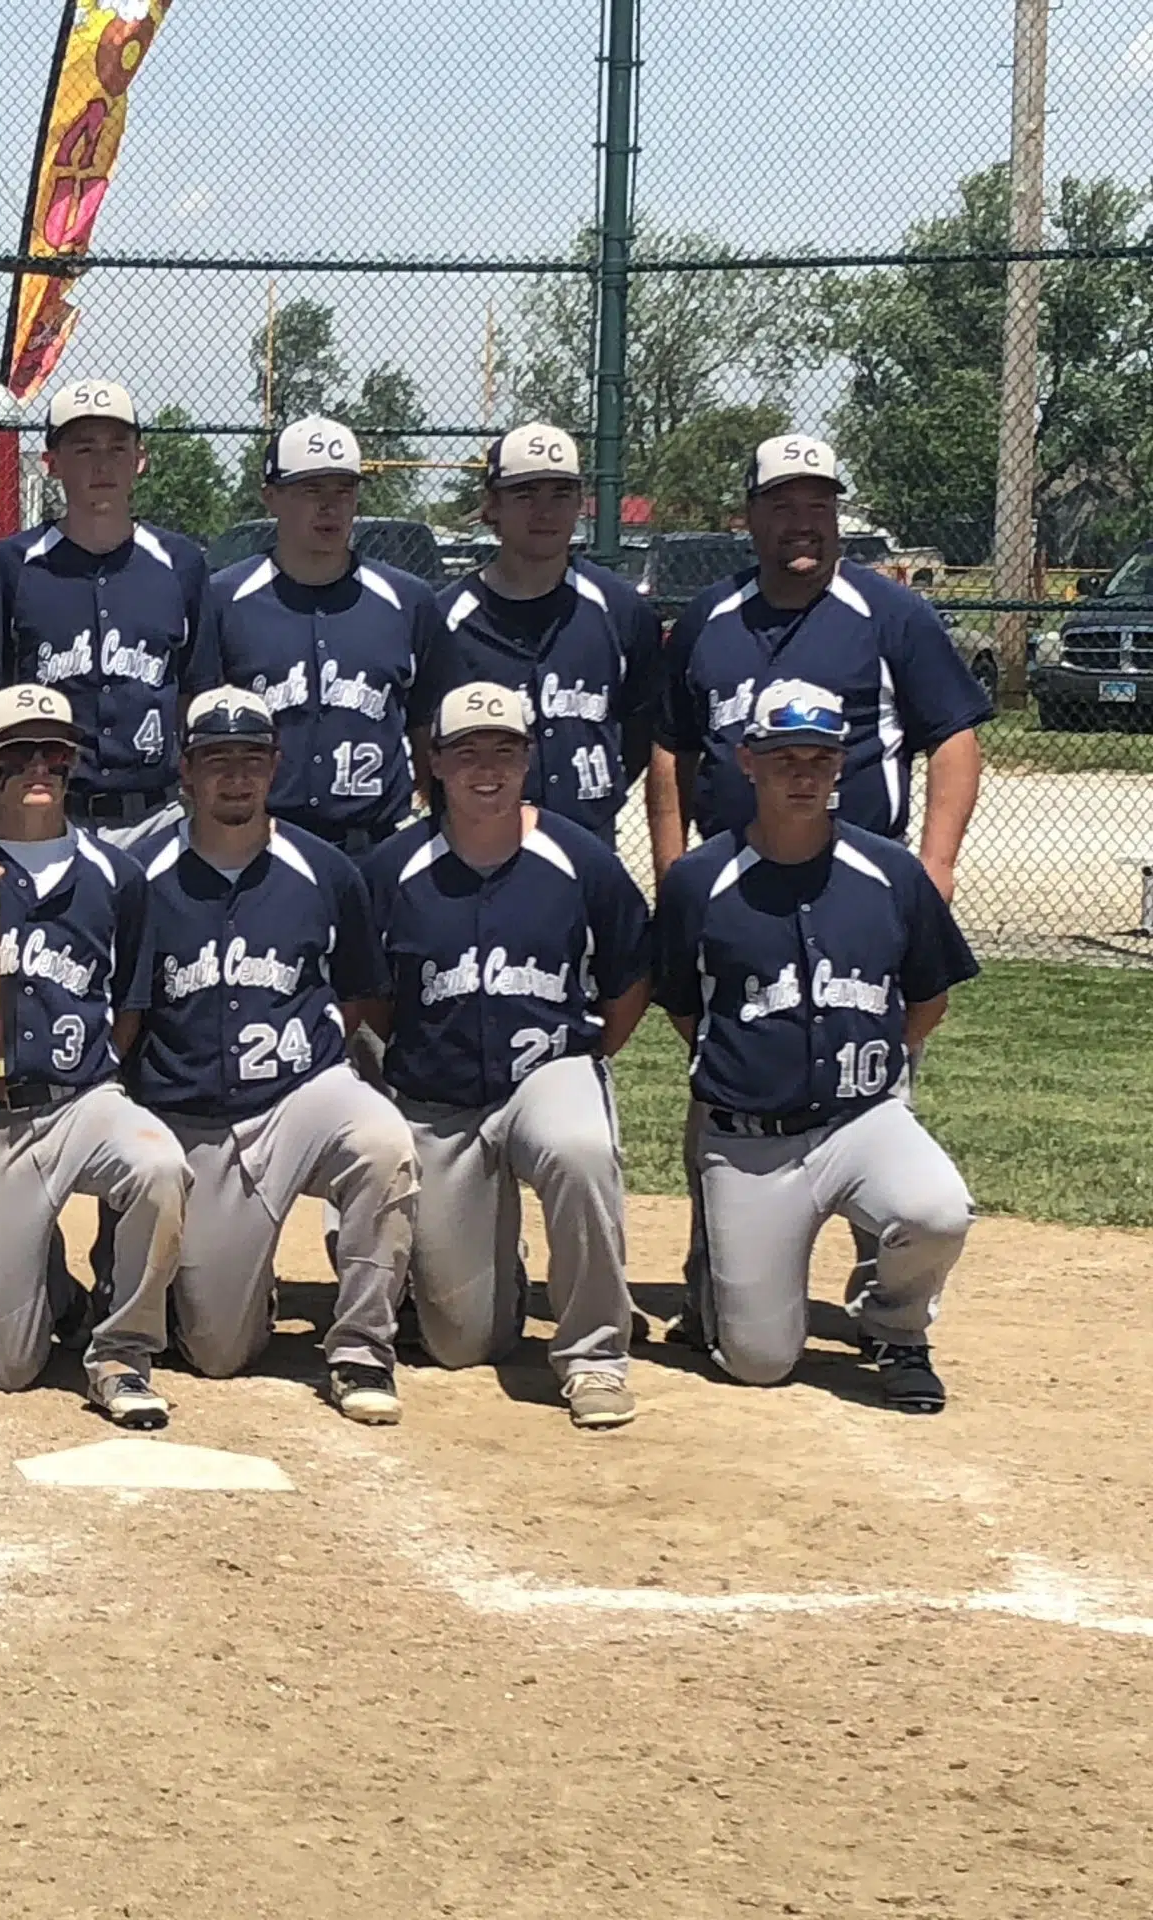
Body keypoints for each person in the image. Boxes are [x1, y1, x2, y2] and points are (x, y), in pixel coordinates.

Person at [648, 435, 989, 1345]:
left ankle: (889, 1308)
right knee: (726, 1077)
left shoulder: (888, 613)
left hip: (857, 888)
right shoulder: (713, 616)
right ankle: (715, 1281)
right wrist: (673, 859)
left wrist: (937, 863)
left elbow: (953, 734)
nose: (804, 522)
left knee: (874, 1086)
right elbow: (673, 749)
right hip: (735, 891)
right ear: (749, 518)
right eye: (784, 505)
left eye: (820, 505)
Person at [649, 678, 977, 1411]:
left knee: (938, 1210)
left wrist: (878, 1070)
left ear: (842, 767)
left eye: (820, 759)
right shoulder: (700, 881)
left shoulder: (891, 874)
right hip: (750, 1143)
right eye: (784, 757)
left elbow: (928, 999)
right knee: (760, 1361)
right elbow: (682, 1007)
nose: (803, 774)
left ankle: (896, 1329)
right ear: (747, 762)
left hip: (863, 1120)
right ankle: (729, 1301)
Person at [359, 683, 652, 1430]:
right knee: (465, 1344)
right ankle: (499, 1271)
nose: (485, 768)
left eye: (504, 750)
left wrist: (583, 1063)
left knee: (579, 1144)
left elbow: (628, 981)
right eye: (466, 752)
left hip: (545, 1072)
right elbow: (374, 1000)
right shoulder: (392, 869)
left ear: (528, 759)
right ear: (435, 762)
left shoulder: (577, 858)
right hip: (439, 1099)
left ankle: (594, 1356)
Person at [0, 685, 186, 1425]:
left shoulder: (117, 875)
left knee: (159, 1163)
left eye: (55, 753)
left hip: (82, 1099)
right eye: (18, 754)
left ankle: (123, 1351)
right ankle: (54, 1289)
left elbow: (127, 1007)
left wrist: (94, 1081)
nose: (39, 766)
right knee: (10, 1367)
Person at [130, 688, 418, 1391]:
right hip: (196, 1120)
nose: (236, 777)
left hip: (299, 1099)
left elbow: (356, 997)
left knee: (382, 1139)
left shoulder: (326, 871)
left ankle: (360, 1348)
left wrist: (310, 1072)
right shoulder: (140, 877)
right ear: (185, 772)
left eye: (252, 760)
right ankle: (240, 1286)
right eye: (217, 760)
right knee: (217, 1352)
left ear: (276, 766)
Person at [190, 414, 439, 856]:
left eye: (344, 490)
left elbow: (427, 731)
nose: (331, 506)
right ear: (271, 497)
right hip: (258, 847)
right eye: (311, 490)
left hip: (374, 845)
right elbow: (196, 721)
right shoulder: (224, 599)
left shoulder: (408, 600)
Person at [0, 378, 207, 856]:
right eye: (83, 449)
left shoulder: (181, 563)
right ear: (52, 463)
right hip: (46, 815)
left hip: (157, 816)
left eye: (116, 447)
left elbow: (197, 690)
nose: (102, 464)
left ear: (139, 459)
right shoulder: (11, 565)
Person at [418, 424, 663, 844]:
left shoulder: (621, 610)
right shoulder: (446, 619)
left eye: (561, 494)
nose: (544, 512)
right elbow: (424, 740)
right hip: (477, 845)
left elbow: (639, 734)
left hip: (589, 843)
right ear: (493, 505)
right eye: (525, 495)